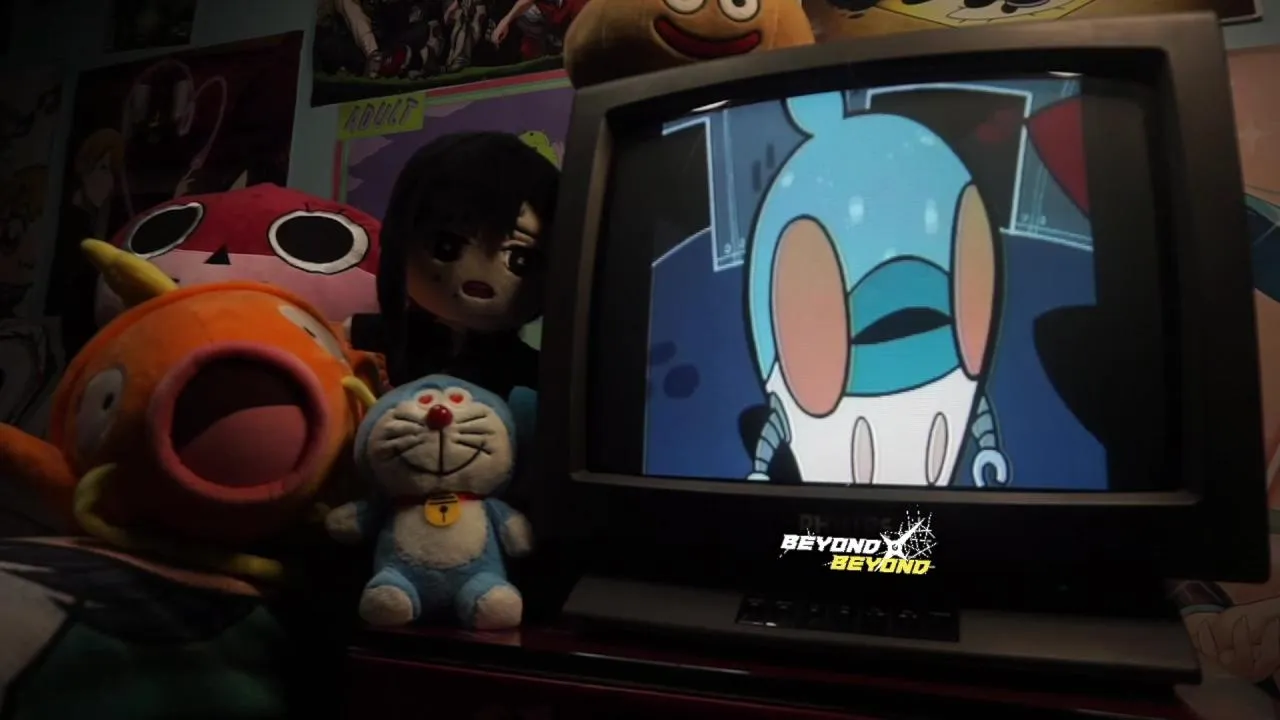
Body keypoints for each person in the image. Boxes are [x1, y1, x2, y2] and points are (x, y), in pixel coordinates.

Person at [346, 132, 558, 399]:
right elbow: (331, 336)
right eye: (446, 246)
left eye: (519, 259)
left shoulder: (515, 360)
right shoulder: (397, 334)